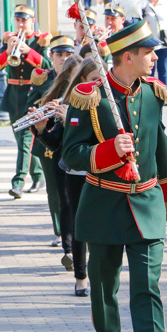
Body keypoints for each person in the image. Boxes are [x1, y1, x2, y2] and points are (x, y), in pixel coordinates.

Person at [62, 19, 167, 332]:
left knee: (147, 286)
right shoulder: (88, 96)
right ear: (127, 57)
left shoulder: (153, 93)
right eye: (148, 53)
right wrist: (111, 151)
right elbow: (71, 155)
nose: (154, 58)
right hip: (104, 204)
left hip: (146, 202)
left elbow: (160, 145)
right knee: (104, 288)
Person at [35, 56, 99, 297]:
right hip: (75, 173)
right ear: (82, 80)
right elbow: (55, 143)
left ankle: (99, 274)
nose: (98, 85)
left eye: (100, 80)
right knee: (80, 225)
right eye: (93, 80)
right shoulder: (72, 105)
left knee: (99, 226)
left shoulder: (105, 103)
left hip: (100, 170)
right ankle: (81, 276)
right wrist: (42, 128)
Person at [0, 4, 51, 198]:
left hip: (31, 93)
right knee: (22, 139)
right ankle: (38, 174)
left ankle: (18, 182)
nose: (20, 24)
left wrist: (27, 50)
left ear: (32, 22)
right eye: (18, 20)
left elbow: (47, 66)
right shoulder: (9, 38)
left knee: (25, 140)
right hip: (13, 94)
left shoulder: (40, 41)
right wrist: (9, 48)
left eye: (24, 21)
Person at [28, 50, 78, 260]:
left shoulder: (92, 96)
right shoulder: (57, 93)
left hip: (84, 159)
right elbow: (53, 139)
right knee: (63, 201)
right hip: (59, 156)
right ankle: (67, 249)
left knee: (78, 206)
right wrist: (42, 124)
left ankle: (79, 251)